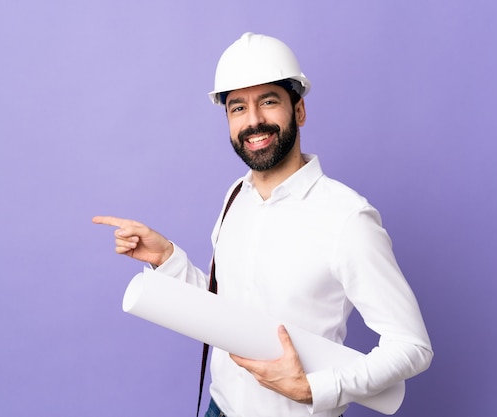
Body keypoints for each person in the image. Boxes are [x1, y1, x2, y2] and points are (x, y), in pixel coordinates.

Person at [93, 32, 433, 417]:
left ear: (299, 110)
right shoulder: (236, 197)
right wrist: (167, 259)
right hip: (219, 409)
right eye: (238, 108)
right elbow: (228, 316)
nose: (253, 121)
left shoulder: (347, 218)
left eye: (268, 102)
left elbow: (412, 346)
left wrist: (315, 389)